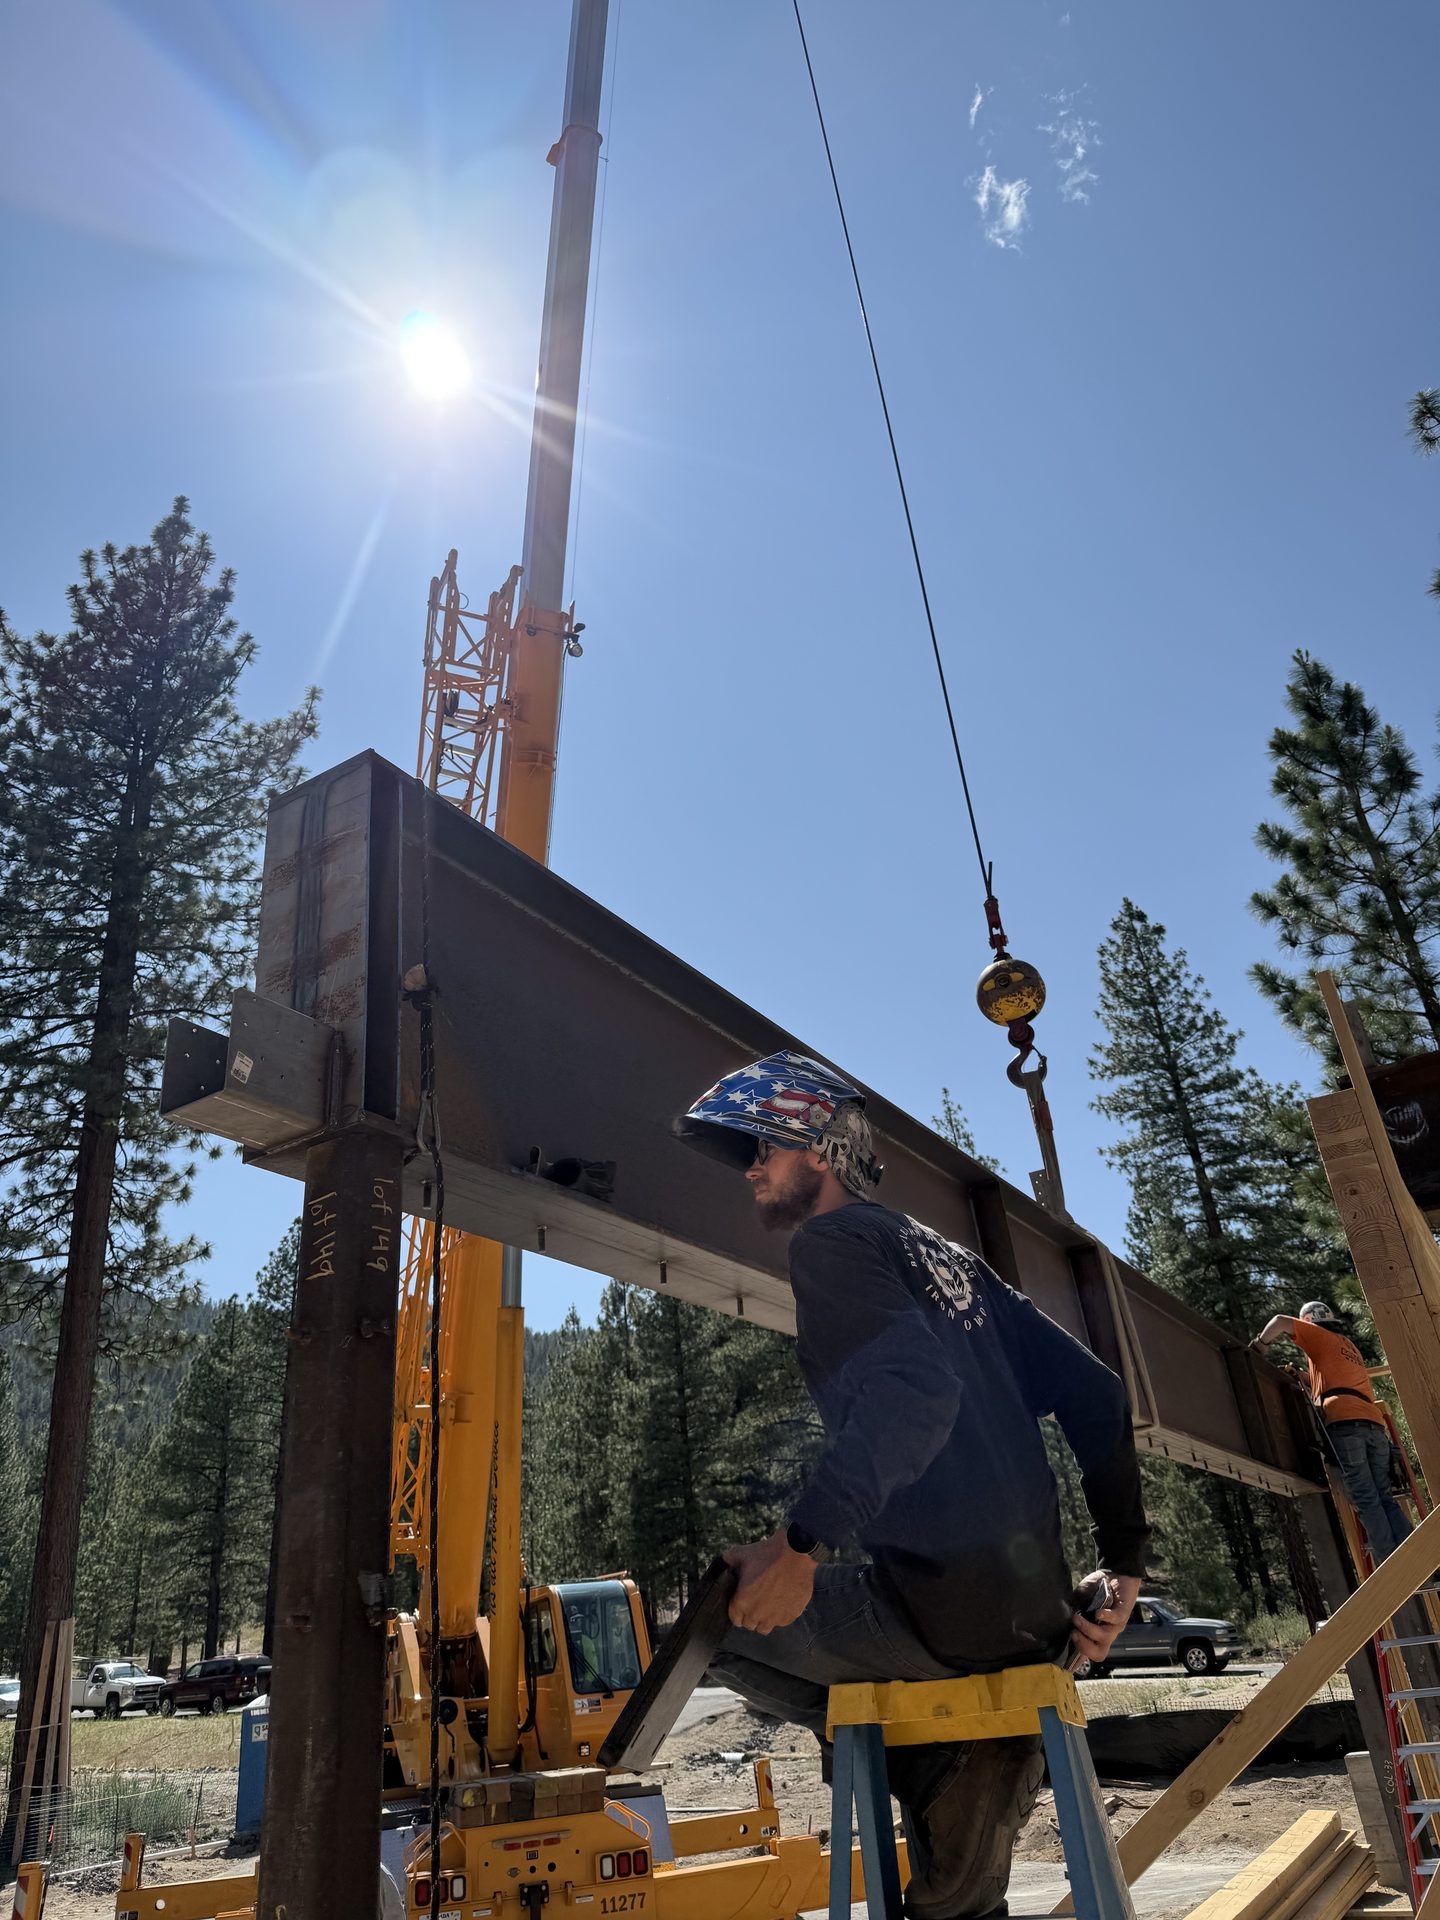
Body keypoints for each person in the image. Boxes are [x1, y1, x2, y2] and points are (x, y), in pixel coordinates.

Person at [674, 1051, 1150, 1920]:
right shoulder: (948, 1259)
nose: (749, 1168)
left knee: (712, 1623)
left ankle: (945, 1765)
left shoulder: (831, 1242)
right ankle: (966, 1784)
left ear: (819, 1147)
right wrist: (1125, 1567)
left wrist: (800, 1546)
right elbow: (1099, 1393)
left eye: (762, 1147)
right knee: (955, 1901)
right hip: (1038, 1618)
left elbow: (914, 1395)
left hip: (941, 1615)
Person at [1254, 1302, 1411, 1562]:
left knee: (1366, 1499)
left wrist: (1259, 1345)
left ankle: (1395, 1568)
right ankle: (1421, 1562)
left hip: (1346, 1424)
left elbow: (1280, 1321)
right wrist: (1302, 1376)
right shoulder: (1347, 1347)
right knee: (1384, 1498)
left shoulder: (1318, 1335)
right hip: (1373, 1424)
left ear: (1309, 1321)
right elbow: (1333, 1383)